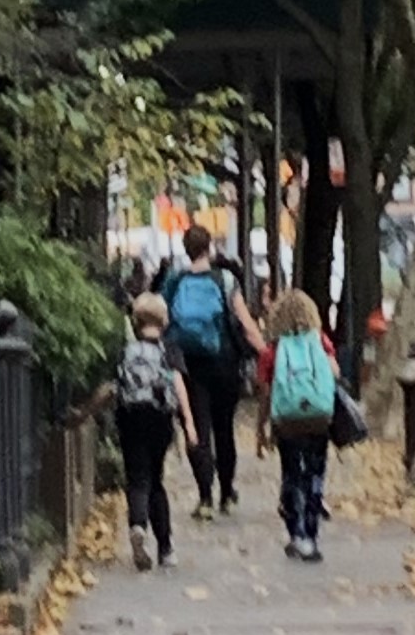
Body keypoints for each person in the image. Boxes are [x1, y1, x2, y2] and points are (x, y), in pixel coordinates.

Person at [162, 224, 267, 519]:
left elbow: (162, 318)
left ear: (186, 249)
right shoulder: (225, 279)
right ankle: (227, 492)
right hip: (224, 363)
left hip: (188, 364)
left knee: (197, 427)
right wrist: (267, 352)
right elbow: (245, 323)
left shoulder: (175, 279)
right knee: (224, 429)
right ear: (208, 248)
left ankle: (205, 496)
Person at [256, 288, 340, 562]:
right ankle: (312, 537)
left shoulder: (273, 350)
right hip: (318, 418)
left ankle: (296, 534)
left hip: (287, 421)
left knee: (292, 475)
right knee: (315, 475)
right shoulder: (321, 342)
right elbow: (335, 372)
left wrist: (262, 428)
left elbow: (266, 393)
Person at [114, 292, 194, 570]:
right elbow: (180, 387)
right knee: (156, 480)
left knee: (137, 478)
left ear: (136, 321)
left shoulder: (126, 351)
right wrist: (190, 426)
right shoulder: (170, 350)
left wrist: (82, 414)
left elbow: (112, 388)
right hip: (160, 418)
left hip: (130, 417)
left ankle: (138, 525)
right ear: (164, 320)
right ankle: (166, 548)